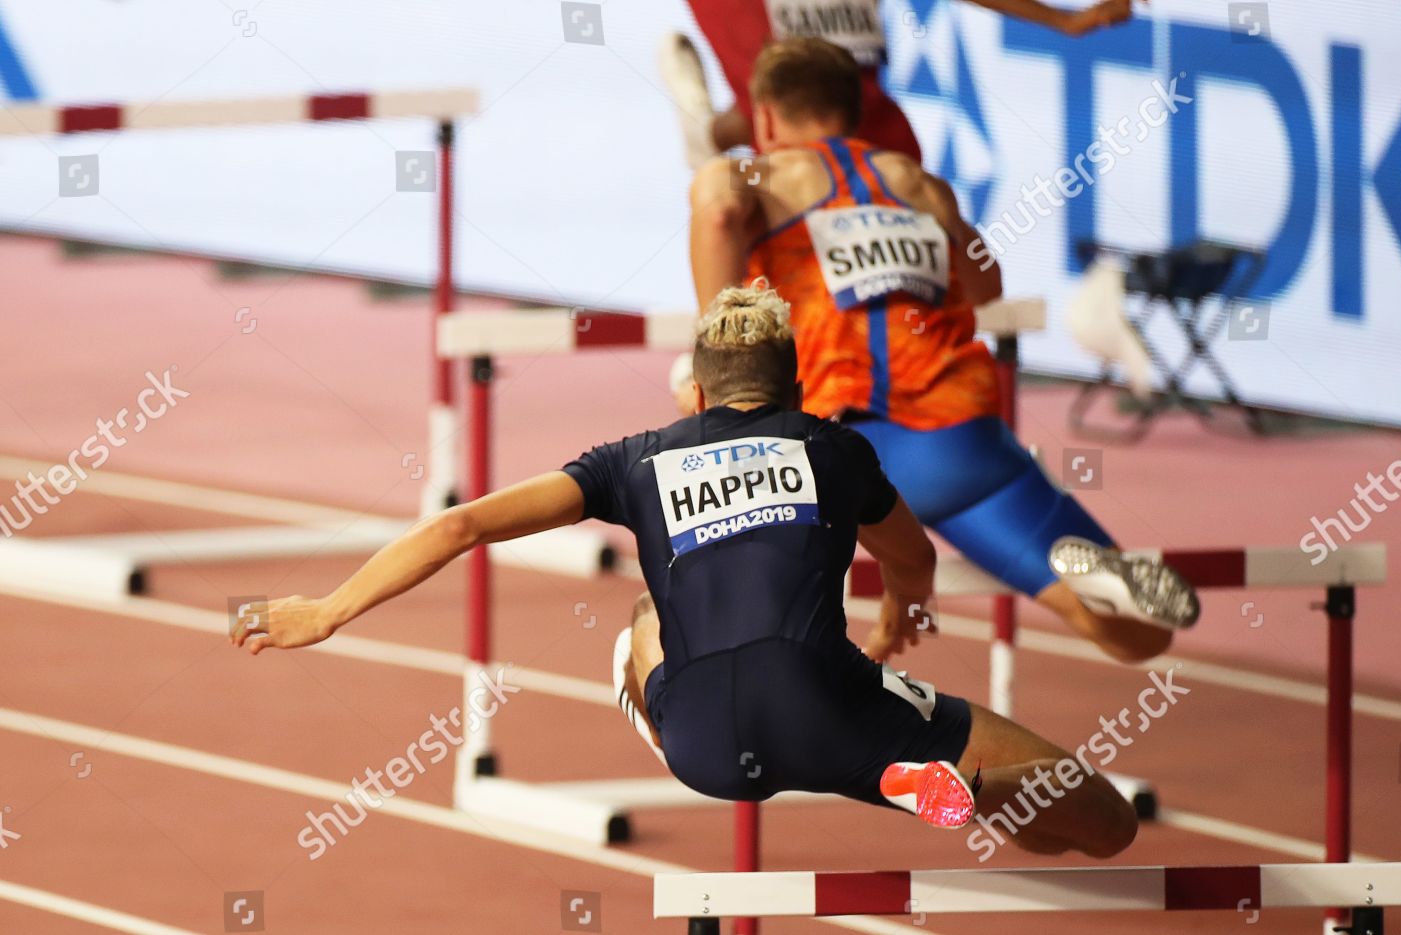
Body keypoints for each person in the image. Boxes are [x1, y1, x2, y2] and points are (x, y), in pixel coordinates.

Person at [230, 288, 1137, 856]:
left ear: (695, 396)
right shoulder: (832, 446)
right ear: (795, 391)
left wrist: (330, 609)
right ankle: (900, 776)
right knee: (1099, 826)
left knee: (643, 609)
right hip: (828, 711)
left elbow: (463, 523)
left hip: (702, 743)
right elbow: (915, 559)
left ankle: (688, 719)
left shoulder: (630, 461)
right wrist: (903, 613)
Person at [685, 38, 1198, 666]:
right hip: (963, 440)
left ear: (764, 117)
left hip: (840, 448)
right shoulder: (918, 184)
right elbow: (987, 283)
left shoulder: (750, 173)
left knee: (730, 583)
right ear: (855, 110)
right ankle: (1100, 585)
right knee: (1142, 637)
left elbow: (716, 216)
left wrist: (718, 346)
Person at [659, 0, 1137, 167]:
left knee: (887, 153)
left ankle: (709, 132)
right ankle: (740, 336)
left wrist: (1063, 20)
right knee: (792, 120)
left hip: (853, 70)